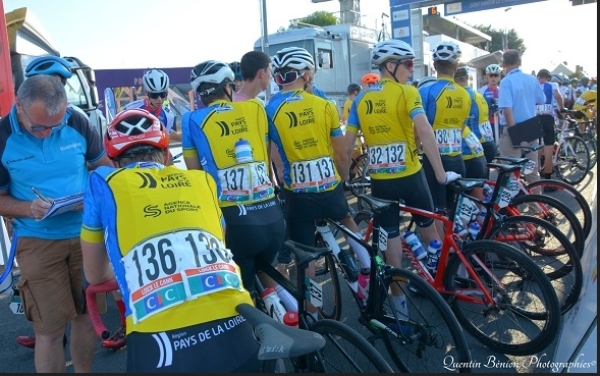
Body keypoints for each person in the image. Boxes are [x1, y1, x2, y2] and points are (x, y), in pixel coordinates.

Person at [80, 108, 261, 373]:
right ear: (166, 155)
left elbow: (95, 274)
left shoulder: (102, 181)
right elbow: (215, 240)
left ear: (114, 162)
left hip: (161, 343)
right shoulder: (204, 181)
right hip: (238, 327)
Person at [0, 75, 112, 372]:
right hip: (37, 241)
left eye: (55, 125)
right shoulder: (1, 136)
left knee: (86, 318)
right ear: (19, 107)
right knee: (48, 331)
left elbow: (105, 172)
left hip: (86, 236)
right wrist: (27, 208)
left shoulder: (76, 121)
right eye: (39, 127)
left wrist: (93, 197)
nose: (48, 133)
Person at [345, 39, 458, 316]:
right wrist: (440, 173)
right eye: (408, 64)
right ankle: (438, 278)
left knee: (391, 243)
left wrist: (344, 176)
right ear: (391, 65)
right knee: (430, 229)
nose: (411, 69)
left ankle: (401, 310)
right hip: (412, 175)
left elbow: (347, 146)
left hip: (382, 181)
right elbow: (424, 131)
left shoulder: (361, 99)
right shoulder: (408, 93)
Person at [265, 47, 370, 312]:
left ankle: (312, 316)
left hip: (297, 196)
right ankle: (369, 272)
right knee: (346, 218)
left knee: (305, 258)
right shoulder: (325, 105)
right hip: (330, 188)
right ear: (307, 74)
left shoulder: (269, 110)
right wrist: (343, 180)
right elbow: (341, 154)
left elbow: (270, 156)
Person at [182, 60, 286, 297]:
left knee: (243, 298)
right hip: (272, 214)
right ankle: (298, 318)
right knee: (271, 278)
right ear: (228, 86)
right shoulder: (257, 107)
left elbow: (198, 179)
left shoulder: (191, 120)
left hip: (236, 225)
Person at [419, 40, 470, 217]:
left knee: (438, 213)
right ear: (456, 66)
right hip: (457, 158)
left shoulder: (426, 91)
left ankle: (443, 244)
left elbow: (419, 129)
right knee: (456, 212)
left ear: (434, 66)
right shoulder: (465, 94)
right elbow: (462, 127)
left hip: (434, 161)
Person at [496, 50, 545, 186]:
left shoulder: (506, 82)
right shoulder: (532, 79)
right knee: (532, 171)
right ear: (520, 62)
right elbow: (542, 99)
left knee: (510, 172)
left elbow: (507, 111)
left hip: (513, 128)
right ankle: (537, 206)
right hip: (531, 127)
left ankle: (510, 205)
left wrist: (516, 135)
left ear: (504, 64)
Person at [454, 66, 488, 189]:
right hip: (480, 150)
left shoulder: (461, 96)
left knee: (466, 202)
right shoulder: (477, 95)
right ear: (467, 78)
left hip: (467, 154)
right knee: (478, 201)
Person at [123, 69, 181, 142]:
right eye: (155, 95)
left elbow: (166, 138)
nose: (159, 99)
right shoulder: (130, 109)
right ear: (147, 93)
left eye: (163, 94)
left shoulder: (169, 115)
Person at [536, 69, 564, 182]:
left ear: (538, 77)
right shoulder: (552, 85)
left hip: (535, 119)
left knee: (535, 151)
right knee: (548, 151)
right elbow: (558, 96)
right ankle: (548, 180)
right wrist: (561, 110)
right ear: (549, 78)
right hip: (548, 119)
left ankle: (535, 179)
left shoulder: (534, 86)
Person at [478, 63, 502, 143]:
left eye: (496, 75)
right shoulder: (481, 91)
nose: (493, 78)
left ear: (499, 77)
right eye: (491, 75)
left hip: (500, 123)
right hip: (486, 124)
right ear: (487, 76)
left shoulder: (503, 91)